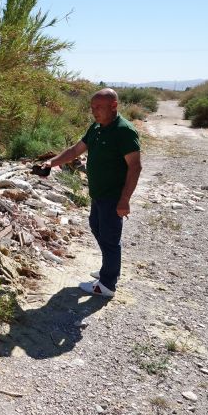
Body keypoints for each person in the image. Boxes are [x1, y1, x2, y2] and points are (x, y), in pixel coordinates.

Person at [42, 88, 142, 297]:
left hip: (113, 196)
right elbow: (75, 150)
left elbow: (135, 166)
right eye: (92, 107)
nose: (94, 111)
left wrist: (125, 199)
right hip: (98, 194)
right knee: (97, 228)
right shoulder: (96, 127)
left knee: (110, 238)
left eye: (99, 107)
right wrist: (51, 163)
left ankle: (107, 285)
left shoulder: (124, 130)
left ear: (113, 106)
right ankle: (109, 269)